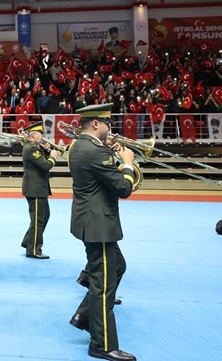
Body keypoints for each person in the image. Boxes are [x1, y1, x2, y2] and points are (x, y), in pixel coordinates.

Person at [67, 103, 136, 361]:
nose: (110, 127)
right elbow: (123, 188)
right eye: (107, 123)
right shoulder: (96, 151)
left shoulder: (79, 146)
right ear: (96, 123)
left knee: (117, 266)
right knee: (102, 285)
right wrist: (127, 164)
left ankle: (84, 315)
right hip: (99, 224)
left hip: (90, 220)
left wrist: (111, 155)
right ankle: (103, 344)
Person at [20, 121, 62, 259]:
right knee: (38, 220)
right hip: (35, 189)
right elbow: (45, 166)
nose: (43, 136)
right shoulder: (31, 148)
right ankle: (33, 250)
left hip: (38, 188)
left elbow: (40, 161)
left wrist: (46, 151)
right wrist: (53, 157)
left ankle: (28, 242)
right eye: (40, 133)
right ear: (33, 135)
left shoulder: (35, 147)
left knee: (44, 216)